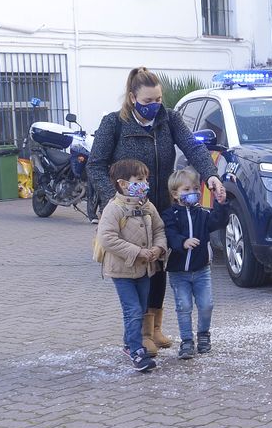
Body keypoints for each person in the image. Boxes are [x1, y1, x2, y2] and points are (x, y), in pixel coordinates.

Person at [87, 67, 225, 355]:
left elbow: (193, 147)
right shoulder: (114, 124)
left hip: (159, 208)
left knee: (160, 266)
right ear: (132, 97)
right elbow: (95, 165)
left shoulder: (169, 118)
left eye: (158, 99)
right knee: (137, 268)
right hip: (127, 213)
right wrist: (116, 198)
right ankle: (140, 333)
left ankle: (156, 328)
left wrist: (211, 175)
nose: (154, 106)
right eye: (148, 100)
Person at [96, 158, 167, 373]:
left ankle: (129, 343)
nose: (144, 183)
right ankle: (137, 351)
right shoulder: (114, 208)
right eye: (139, 179)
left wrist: (158, 249)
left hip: (145, 268)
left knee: (141, 308)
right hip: (122, 270)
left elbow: (159, 230)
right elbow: (107, 237)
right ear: (123, 183)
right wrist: (137, 252)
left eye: (146, 179)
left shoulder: (147, 206)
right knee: (133, 310)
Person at [163, 168, 229, 359]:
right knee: (183, 307)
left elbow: (218, 221)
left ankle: (203, 335)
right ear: (175, 194)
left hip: (201, 270)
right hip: (178, 272)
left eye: (195, 188)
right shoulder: (170, 215)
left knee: (206, 304)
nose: (192, 192)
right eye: (186, 189)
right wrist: (182, 242)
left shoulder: (202, 213)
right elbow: (169, 234)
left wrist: (221, 203)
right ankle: (186, 341)